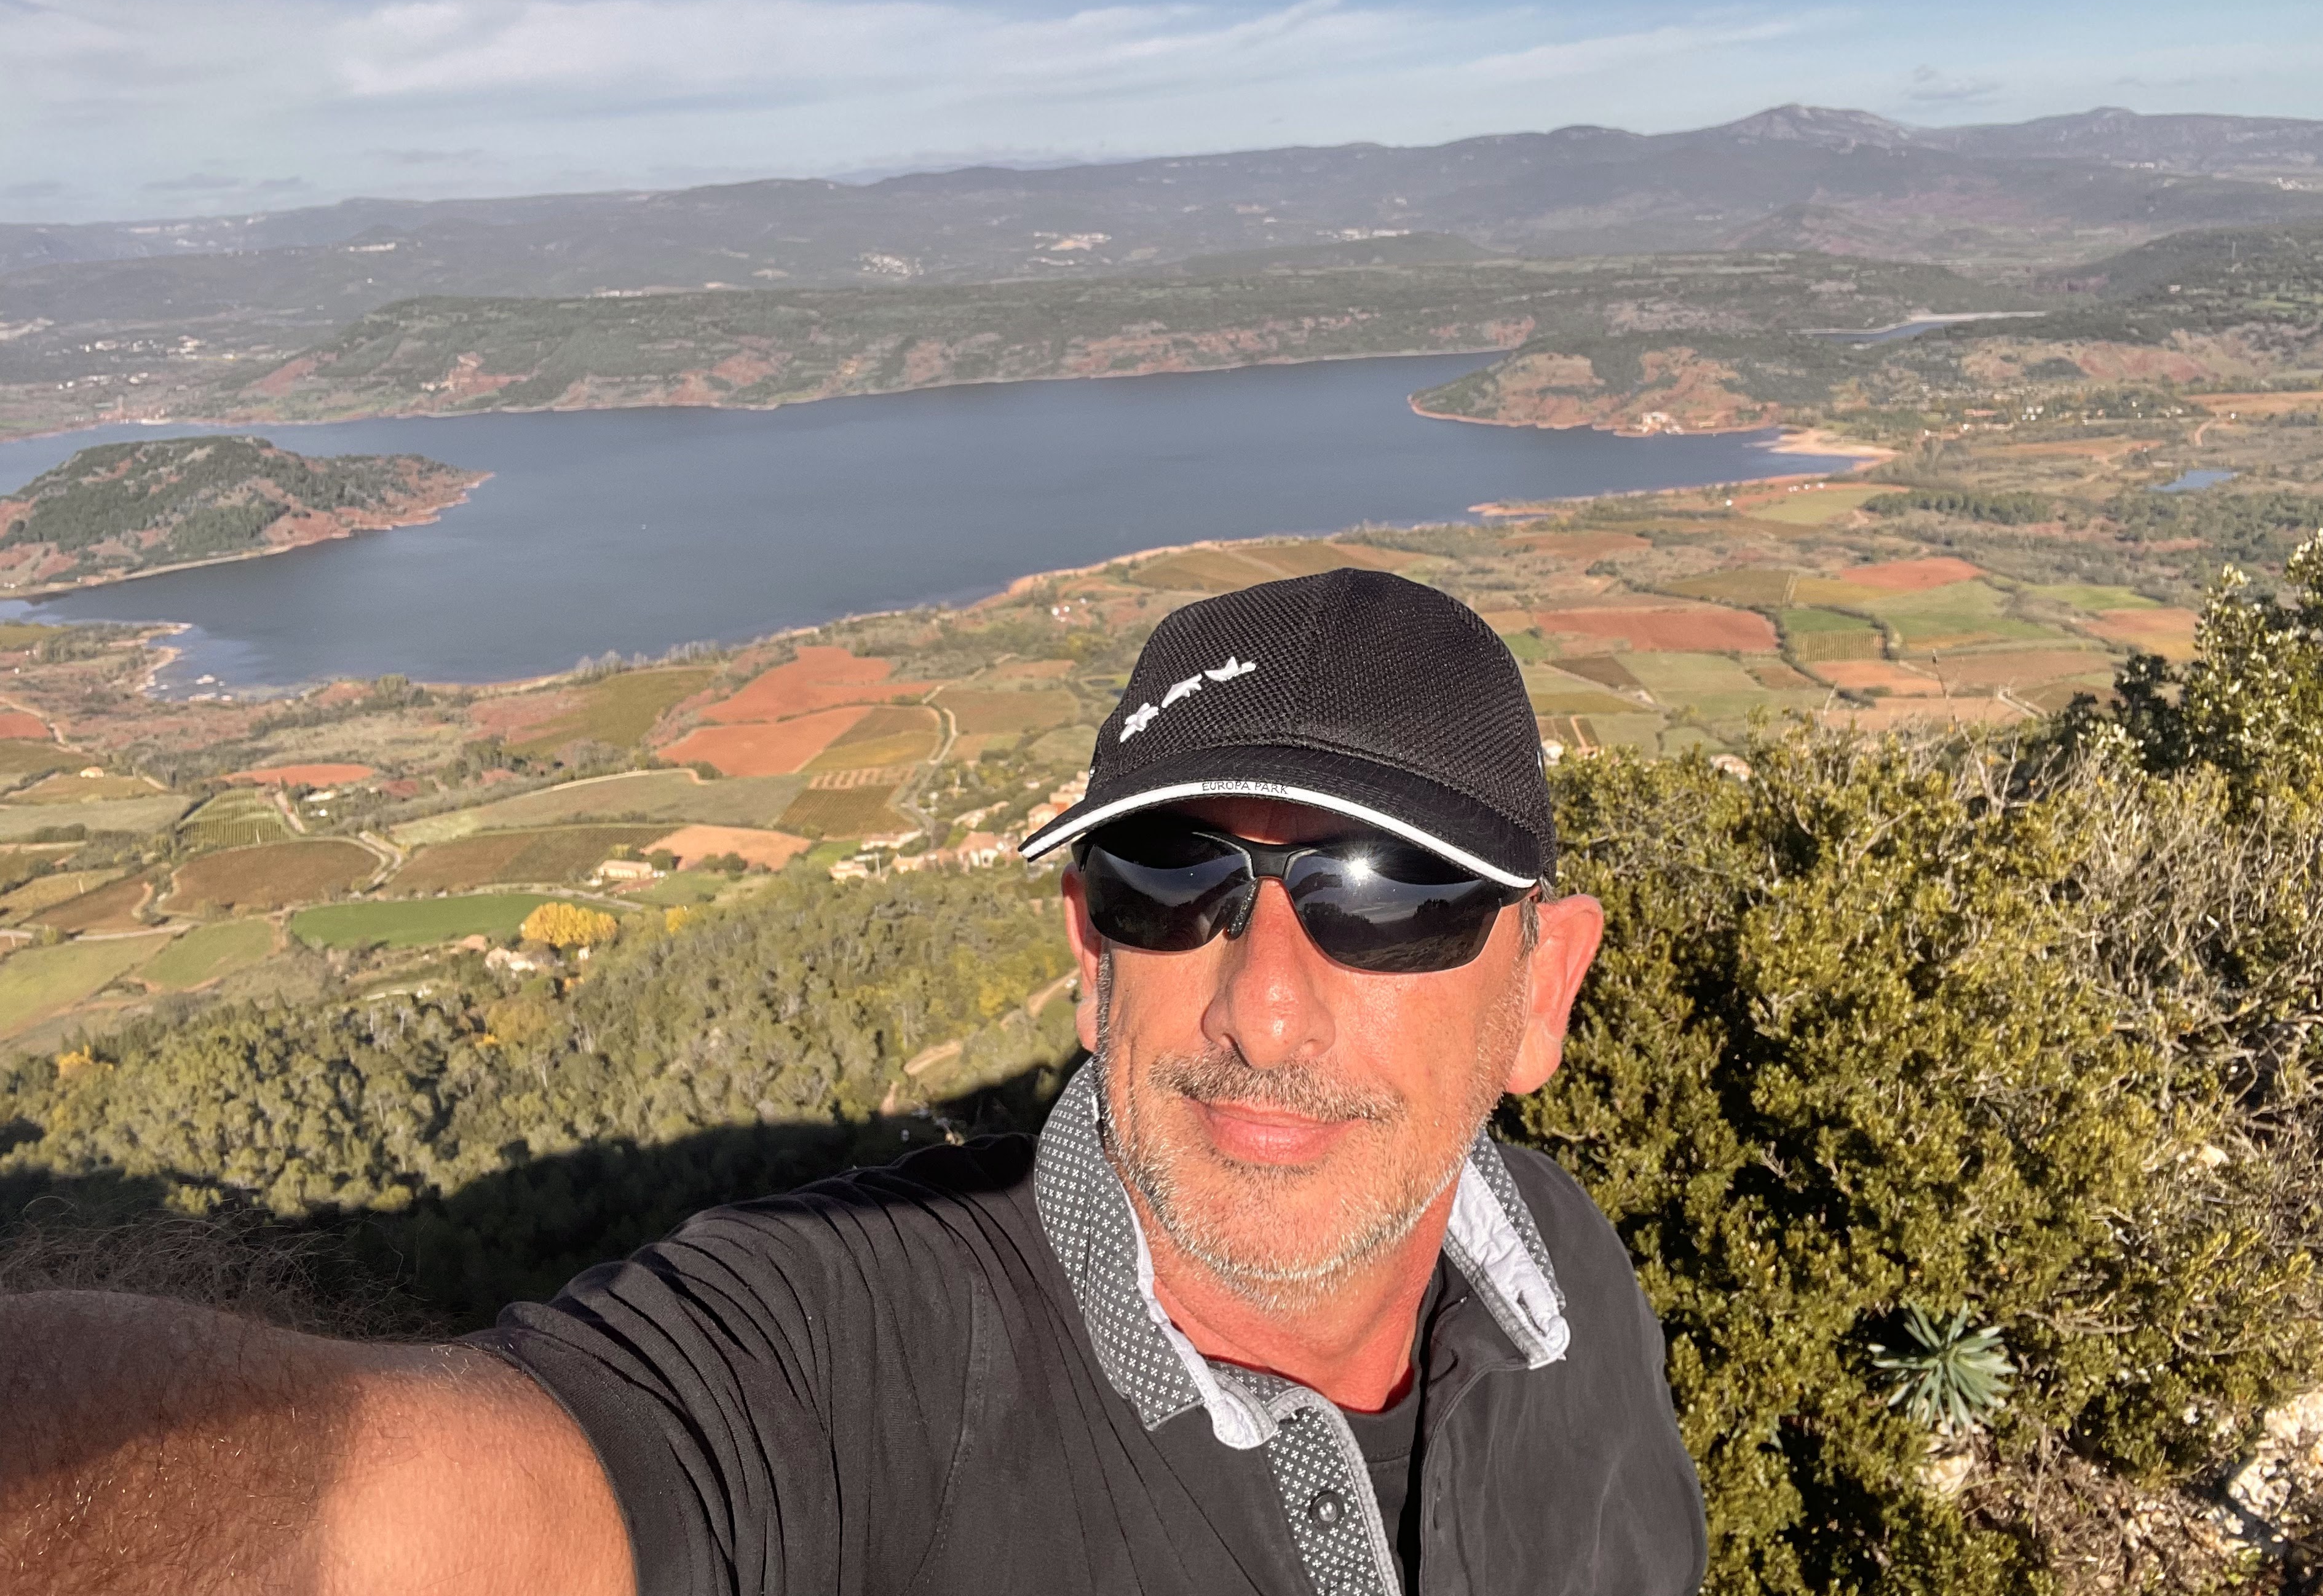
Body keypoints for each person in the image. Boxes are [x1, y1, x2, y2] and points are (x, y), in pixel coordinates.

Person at [1, 569, 1705, 1596]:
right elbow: (365, 1517)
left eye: (1388, 901)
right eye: (1172, 879)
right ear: (1089, 952)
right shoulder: (838, 1372)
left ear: (1542, 988)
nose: (1263, 1006)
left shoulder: (1569, 1279)